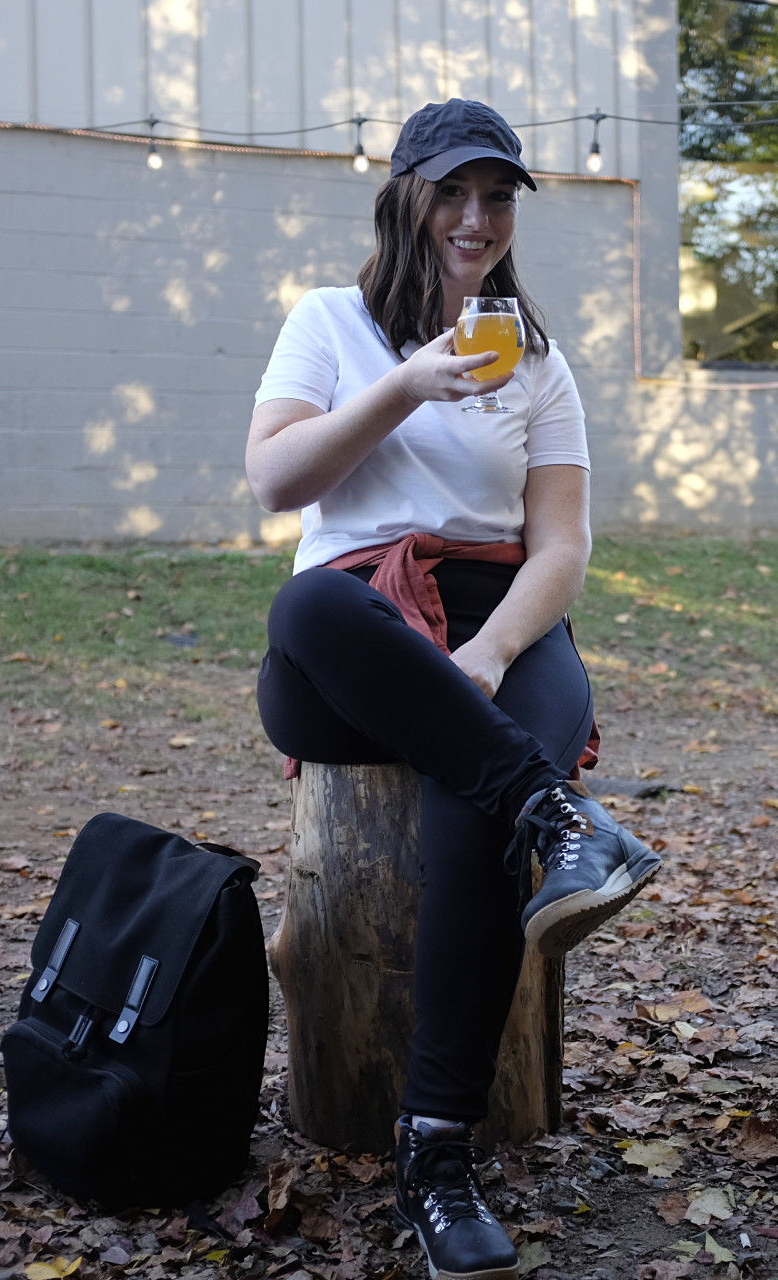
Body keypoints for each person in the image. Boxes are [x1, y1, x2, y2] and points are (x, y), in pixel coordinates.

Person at [245, 99, 662, 1280]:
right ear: (407, 196)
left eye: (496, 197)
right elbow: (277, 480)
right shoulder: (329, 322)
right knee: (306, 601)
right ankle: (558, 815)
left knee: (472, 796)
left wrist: (486, 654)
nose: (475, 218)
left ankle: (436, 1151)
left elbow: (562, 545)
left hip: (504, 622)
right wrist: (408, 384)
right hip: (357, 630)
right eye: (453, 193)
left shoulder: (536, 356)